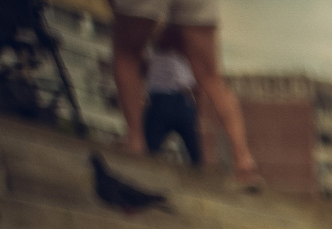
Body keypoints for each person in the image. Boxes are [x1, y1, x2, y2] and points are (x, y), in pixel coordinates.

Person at [108, 0, 259, 189]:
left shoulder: (161, 52)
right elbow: (198, 88)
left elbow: (141, 65)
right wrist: (199, 113)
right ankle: (243, 159)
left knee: (127, 54)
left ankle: (134, 144)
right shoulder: (183, 59)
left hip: (161, 103)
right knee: (212, 78)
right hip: (185, 105)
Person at [139, 26, 201, 168]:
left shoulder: (153, 56)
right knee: (193, 147)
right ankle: (197, 167)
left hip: (159, 101)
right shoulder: (181, 59)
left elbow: (143, 70)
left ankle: (149, 167)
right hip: (180, 102)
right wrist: (196, 108)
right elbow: (189, 85)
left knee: (150, 144)